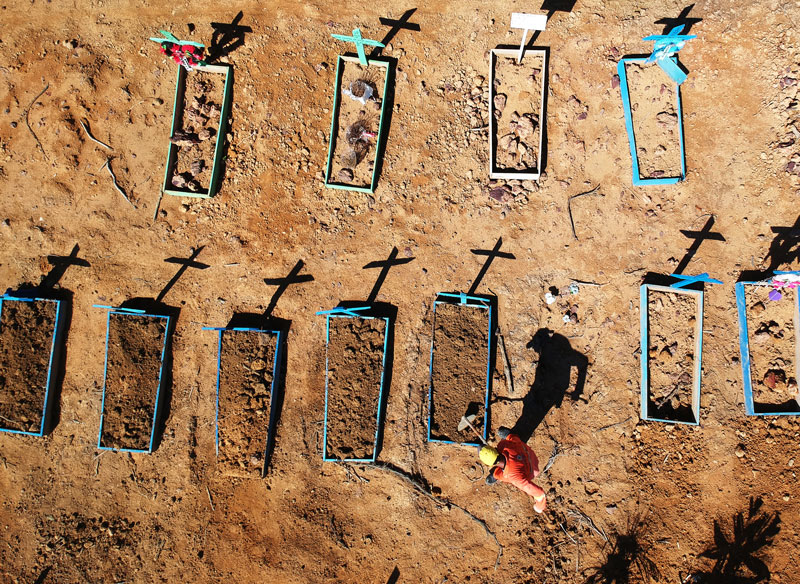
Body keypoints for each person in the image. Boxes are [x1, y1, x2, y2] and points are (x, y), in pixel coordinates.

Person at [479, 427, 547, 513]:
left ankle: (495, 474)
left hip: (532, 471)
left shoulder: (514, 477)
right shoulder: (505, 445)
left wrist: (539, 507)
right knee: (513, 440)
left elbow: (540, 494)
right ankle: (510, 435)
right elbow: (514, 440)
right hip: (530, 455)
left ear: (491, 464)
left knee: (501, 475)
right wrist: (510, 436)